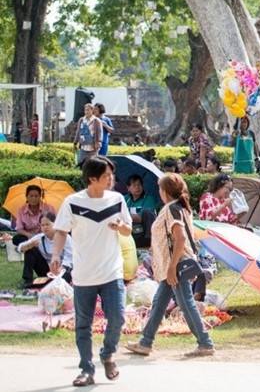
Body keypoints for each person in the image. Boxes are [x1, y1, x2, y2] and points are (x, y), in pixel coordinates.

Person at [50, 156, 132, 388]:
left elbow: (127, 230)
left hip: (112, 272)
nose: (111, 179)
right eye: (106, 176)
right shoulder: (73, 202)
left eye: (111, 175)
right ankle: (86, 369)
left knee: (117, 317)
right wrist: (56, 255)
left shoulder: (116, 199)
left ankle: (107, 354)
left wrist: (121, 227)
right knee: (83, 324)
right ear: (92, 178)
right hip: (84, 273)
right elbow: (61, 231)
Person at [125, 173, 215, 358]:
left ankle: (205, 343)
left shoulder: (172, 209)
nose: (159, 192)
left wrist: (172, 267)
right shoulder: (180, 207)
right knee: (159, 302)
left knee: (185, 303)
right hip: (171, 265)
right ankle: (145, 342)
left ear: (165, 191)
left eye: (160, 189)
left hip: (175, 265)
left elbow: (180, 238)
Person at [17, 211, 73, 288]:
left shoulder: (64, 237)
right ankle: (28, 280)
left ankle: (53, 283)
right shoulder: (40, 237)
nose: (45, 227)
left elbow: (70, 257)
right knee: (30, 250)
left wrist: (61, 269)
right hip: (47, 269)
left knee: (64, 278)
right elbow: (20, 248)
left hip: (62, 269)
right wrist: (30, 245)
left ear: (55, 224)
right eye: (42, 225)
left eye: (48, 224)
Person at [10, 184, 55, 250]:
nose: (33, 198)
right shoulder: (21, 210)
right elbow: (19, 229)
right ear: (27, 197)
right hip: (29, 237)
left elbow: (54, 226)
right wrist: (30, 235)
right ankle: (34, 245)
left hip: (45, 235)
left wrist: (42, 235)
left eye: (36, 196)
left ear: (40, 197)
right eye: (31, 196)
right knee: (16, 239)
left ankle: (31, 246)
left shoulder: (49, 208)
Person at [124, 175, 158, 247]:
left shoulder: (148, 198)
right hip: (129, 231)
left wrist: (126, 215)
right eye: (134, 185)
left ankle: (153, 243)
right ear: (128, 188)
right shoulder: (125, 199)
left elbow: (141, 218)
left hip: (145, 233)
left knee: (147, 212)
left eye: (139, 184)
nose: (137, 187)